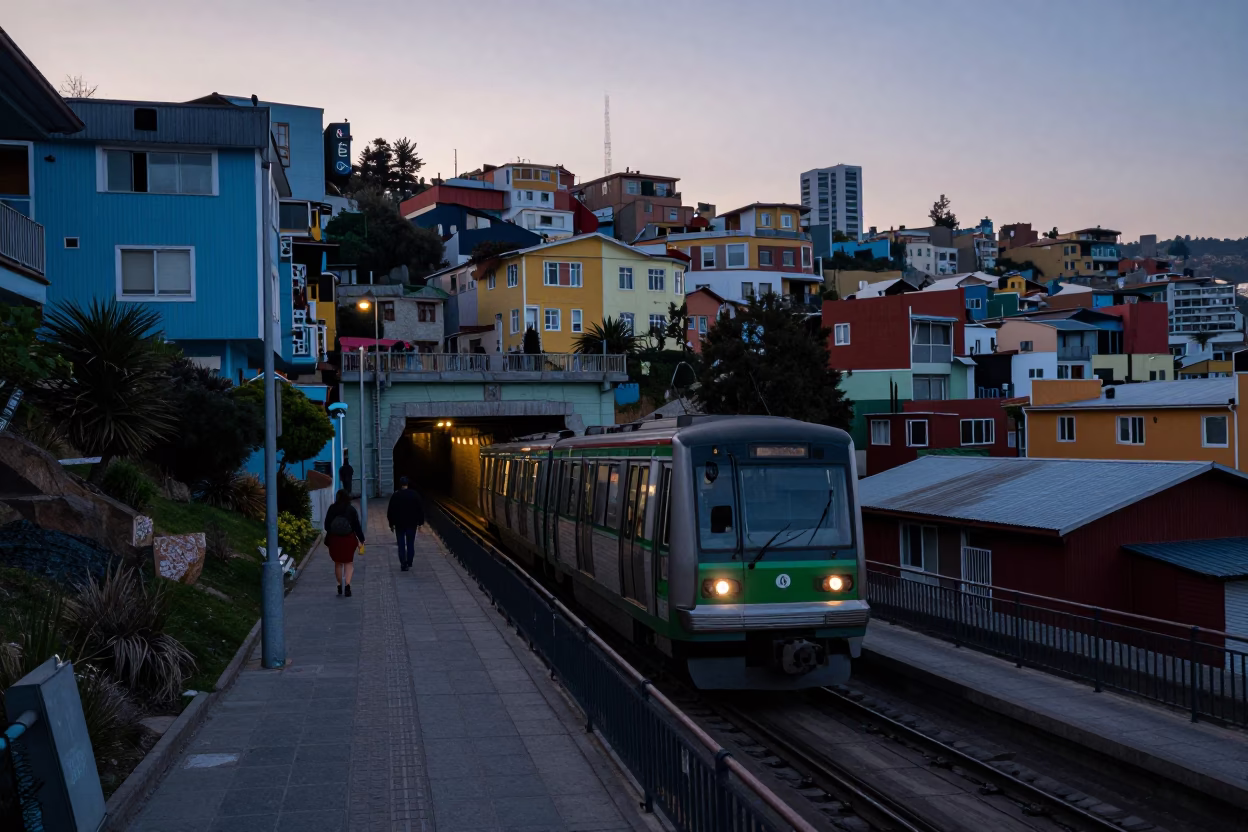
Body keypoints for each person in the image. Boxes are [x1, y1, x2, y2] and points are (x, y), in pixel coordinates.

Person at [324, 489, 365, 596]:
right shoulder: (351, 509)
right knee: (348, 562)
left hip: (334, 539)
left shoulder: (332, 508)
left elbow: (326, 526)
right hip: (348, 538)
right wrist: (361, 539)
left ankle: (339, 585)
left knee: (338, 563)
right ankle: (347, 586)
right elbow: (357, 526)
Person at [387, 476, 425, 571]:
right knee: (410, 543)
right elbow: (420, 509)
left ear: (400, 484)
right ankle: (410, 561)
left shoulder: (396, 495)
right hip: (412, 523)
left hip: (399, 524)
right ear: (408, 484)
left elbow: (390, 511)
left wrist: (391, 524)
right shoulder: (414, 495)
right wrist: (420, 523)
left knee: (401, 544)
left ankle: (403, 563)